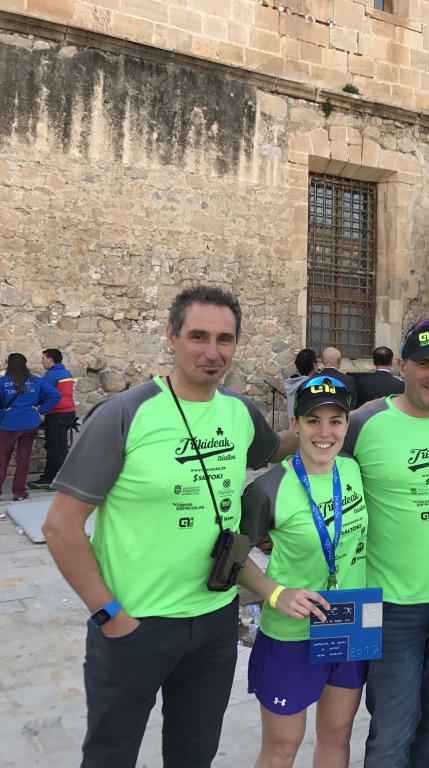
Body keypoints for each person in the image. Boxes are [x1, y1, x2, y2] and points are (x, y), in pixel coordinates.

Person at [41, 285, 296, 768]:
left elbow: (272, 447)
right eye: (198, 336)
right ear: (171, 338)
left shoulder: (239, 411)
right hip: (136, 625)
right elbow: (61, 528)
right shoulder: (124, 415)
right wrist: (109, 616)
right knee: (110, 755)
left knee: (194, 753)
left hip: (216, 619)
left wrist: (331, 426)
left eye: (225, 339)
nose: (212, 352)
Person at [341, 318, 429, 767]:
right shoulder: (365, 423)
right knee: (391, 733)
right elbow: (316, 475)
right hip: (389, 606)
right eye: (424, 363)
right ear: (402, 365)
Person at [238, 375, 368, 768]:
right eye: (313, 421)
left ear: (347, 426)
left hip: (350, 618)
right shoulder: (269, 488)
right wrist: (277, 593)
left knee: (337, 737)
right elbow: (232, 559)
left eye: (335, 421)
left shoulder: (354, 470)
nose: (325, 432)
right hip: (292, 631)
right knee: (283, 747)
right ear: (295, 424)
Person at [0, 353, 61, 501]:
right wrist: (40, 410)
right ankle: (19, 493)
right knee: (24, 459)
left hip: (9, 424)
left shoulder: (3, 382)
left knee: (2, 458)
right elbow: (56, 395)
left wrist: (2, 412)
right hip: (30, 423)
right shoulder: (36, 381)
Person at [28, 348, 76, 490]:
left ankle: (62, 481)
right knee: (56, 447)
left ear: (50, 359)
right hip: (68, 413)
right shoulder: (66, 373)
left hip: (57, 414)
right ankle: (49, 478)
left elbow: (43, 395)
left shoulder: (51, 375)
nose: (41, 361)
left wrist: (36, 408)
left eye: (43, 358)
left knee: (56, 449)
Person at [285, 348, 319, 420]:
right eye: (317, 362)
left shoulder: (292, 383)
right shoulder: (310, 386)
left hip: (293, 427)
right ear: (313, 364)